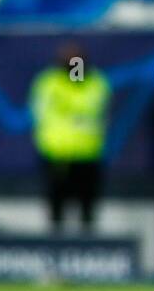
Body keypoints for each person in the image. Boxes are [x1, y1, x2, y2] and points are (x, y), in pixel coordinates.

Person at [30, 43, 111, 231]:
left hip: (88, 153)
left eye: (77, 61)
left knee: (87, 206)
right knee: (57, 204)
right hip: (57, 153)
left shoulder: (95, 83)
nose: (74, 66)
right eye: (70, 61)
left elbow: (97, 110)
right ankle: (56, 244)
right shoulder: (49, 83)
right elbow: (41, 114)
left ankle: (88, 245)